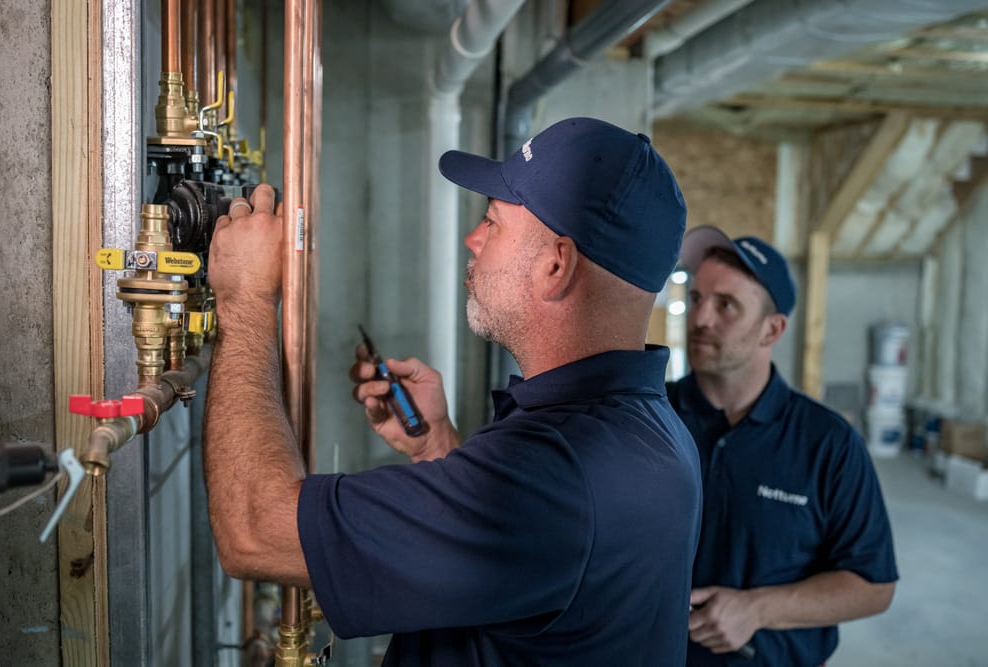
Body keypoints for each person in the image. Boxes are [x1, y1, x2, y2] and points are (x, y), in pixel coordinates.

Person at [204, 117, 703, 666]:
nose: (473, 238)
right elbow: (526, 559)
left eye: (493, 223)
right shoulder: (653, 432)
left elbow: (253, 529)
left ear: (555, 264)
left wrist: (245, 301)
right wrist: (437, 447)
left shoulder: (555, 469)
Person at [668, 225, 898, 666]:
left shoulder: (828, 444)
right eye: (697, 298)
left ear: (771, 330)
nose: (700, 318)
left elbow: (874, 585)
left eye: (726, 305)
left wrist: (757, 609)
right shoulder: (651, 416)